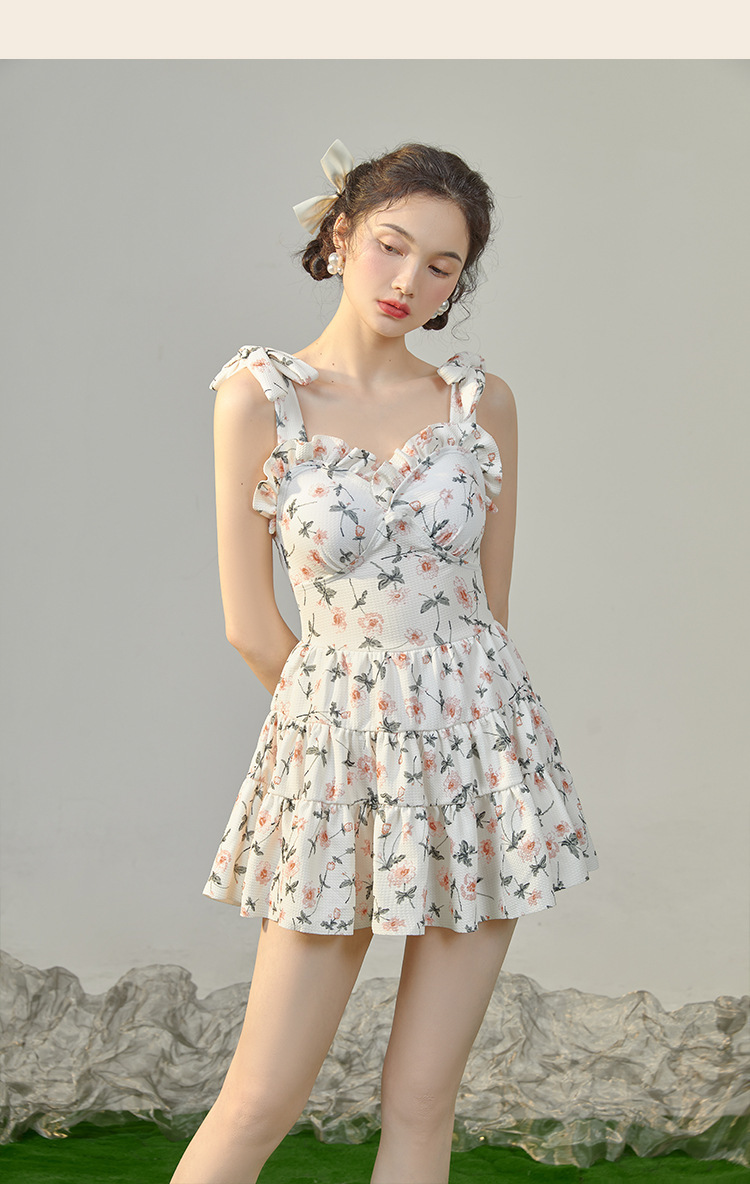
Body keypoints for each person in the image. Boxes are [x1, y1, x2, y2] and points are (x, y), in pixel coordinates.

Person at [170, 139, 599, 1184]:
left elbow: (488, 613)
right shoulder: (258, 397)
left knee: (421, 1100)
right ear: (339, 236)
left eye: (443, 265)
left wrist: (443, 749)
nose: (410, 280)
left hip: (479, 764)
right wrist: (361, 751)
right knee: (260, 1100)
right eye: (391, 246)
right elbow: (251, 624)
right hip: (338, 769)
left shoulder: (481, 404)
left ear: (459, 284)